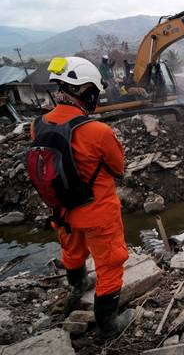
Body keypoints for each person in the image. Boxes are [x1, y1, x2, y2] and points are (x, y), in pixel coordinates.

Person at [30, 56, 133, 338]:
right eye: (94, 92)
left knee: (72, 251)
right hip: (97, 213)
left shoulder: (37, 125)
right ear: (86, 90)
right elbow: (118, 168)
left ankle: (77, 285)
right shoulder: (97, 131)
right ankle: (108, 325)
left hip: (62, 212)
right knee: (110, 263)